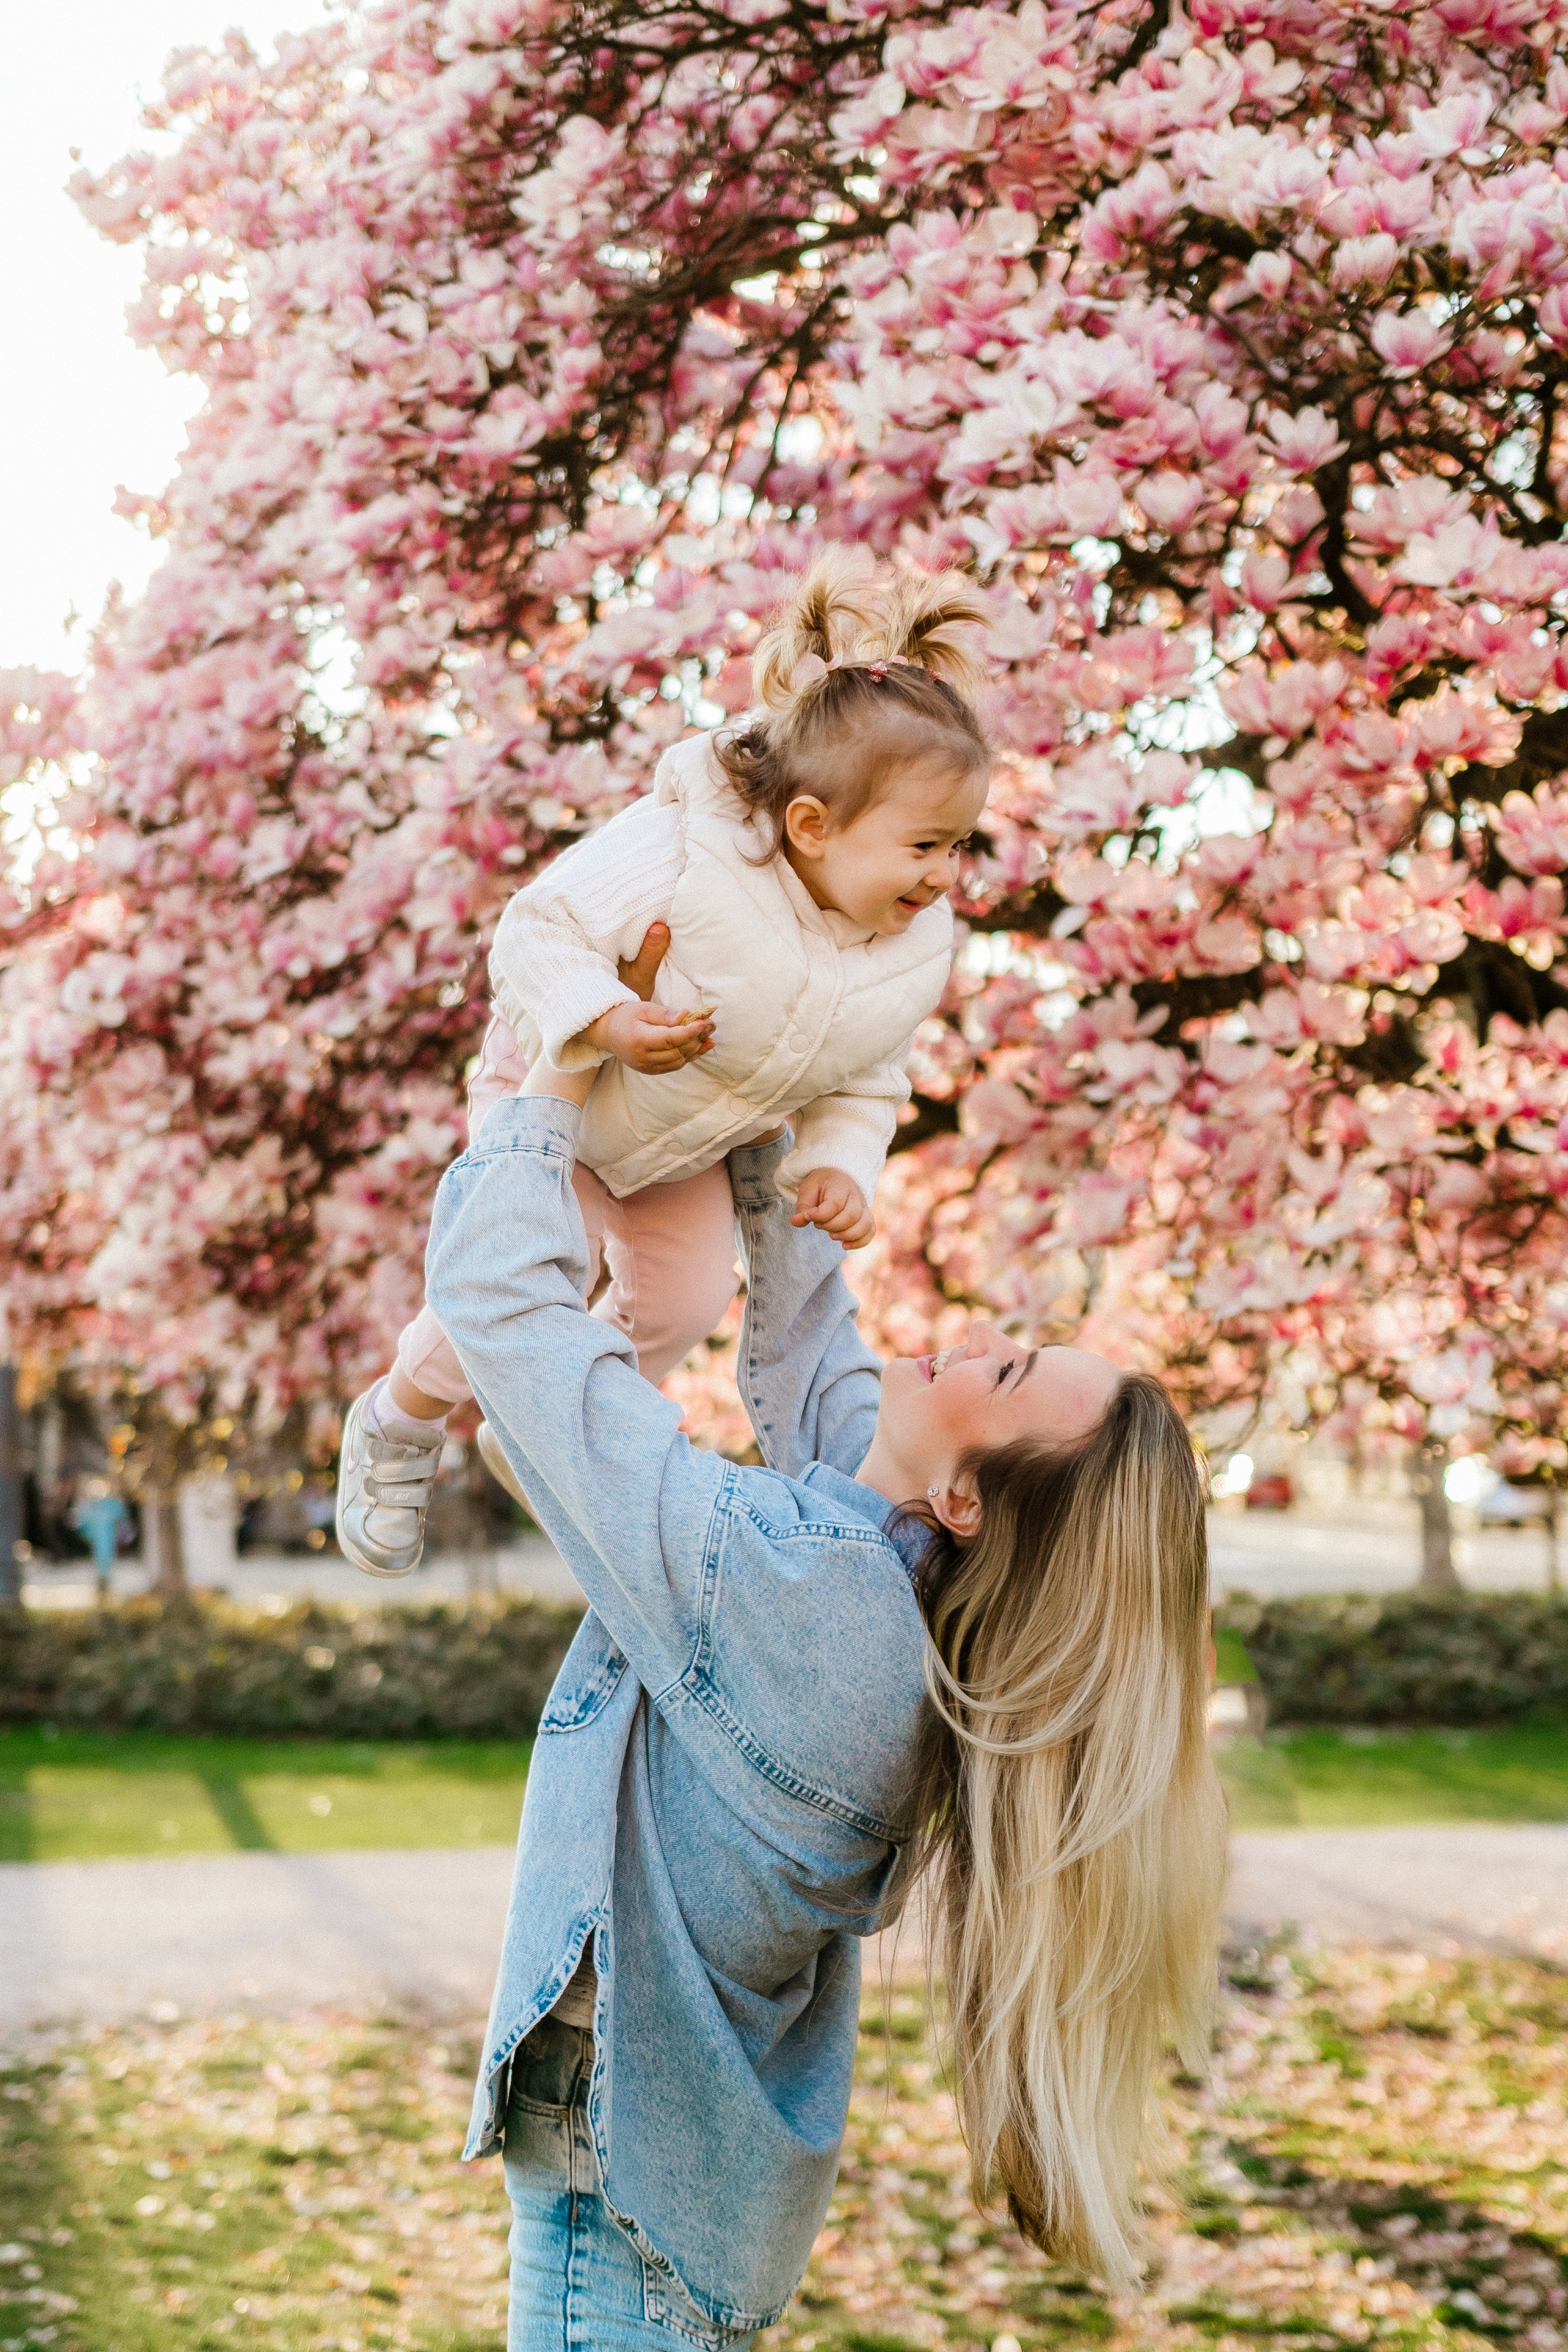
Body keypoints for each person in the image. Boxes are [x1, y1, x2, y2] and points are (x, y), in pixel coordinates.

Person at [420, 1012, 1227, 2351]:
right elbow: (810, 1354)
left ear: (968, 1499)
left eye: (1006, 1371)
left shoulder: (814, 1613)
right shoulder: (894, 1581)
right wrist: (756, 1112)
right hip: (660, 2156)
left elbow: (513, 1325)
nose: (969, 1341)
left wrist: (550, 1079)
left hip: (626, 2160)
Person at [336, 552, 992, 1578]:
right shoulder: (689, 845)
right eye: (923, 846)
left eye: (961, 846)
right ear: (814, 825)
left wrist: (841, 1166)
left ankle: (543, 1431)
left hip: (687, 1141)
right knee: (524, 1280)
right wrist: (605, 1018)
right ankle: (398, 1420)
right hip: (560, 1101)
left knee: (685, 1302)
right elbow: (535, 929)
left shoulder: (911, 945)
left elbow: (872, 1076)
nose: (944, 875)